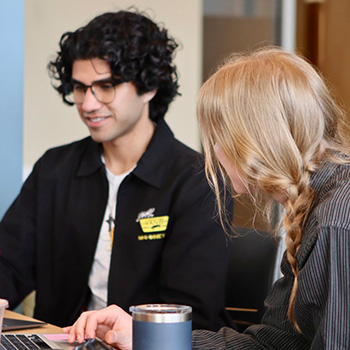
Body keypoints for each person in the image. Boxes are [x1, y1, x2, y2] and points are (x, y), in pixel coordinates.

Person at [63, 47, 350, 350]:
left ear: (253, 138)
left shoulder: (334, 221)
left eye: (217, 137)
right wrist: (146, 337)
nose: (213, 150)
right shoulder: (317, 206)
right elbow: (273, 343)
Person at [0, 10, 233, 331]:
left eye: (106, 86)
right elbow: (8, 261)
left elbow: (193, 314)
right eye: (80, 88)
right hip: (58, 340)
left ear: (149, 87)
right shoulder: (55, 169)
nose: (88, 104)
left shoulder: (197, 181)